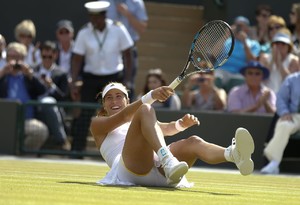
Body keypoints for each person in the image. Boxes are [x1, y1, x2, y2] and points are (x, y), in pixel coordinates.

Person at [90, 82, 255, 187]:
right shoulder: (97, 124)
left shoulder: (139, 119)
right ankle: (167, 159)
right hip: (131, 171)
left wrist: (181, 124)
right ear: (103, 105)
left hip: (163, 173)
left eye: (119, 97)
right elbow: (125, 115)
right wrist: (151, 96)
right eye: (109, 98)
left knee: (194, 142)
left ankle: (234, 154)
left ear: (126, 101)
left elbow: (165, 129)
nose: (114, 101)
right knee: (146, 109)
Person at [70, 1, 134, 152]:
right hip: (90, 77)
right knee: (84, 114)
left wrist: (128, 79)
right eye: (92, 18)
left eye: (97, 18)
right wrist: (73, 81)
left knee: (119, 113)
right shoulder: (84, 32)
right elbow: (77, 58)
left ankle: (123, 150)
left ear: (104, 16)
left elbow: (128, 55)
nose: (94, 21)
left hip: (113, 77)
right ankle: (77, 151)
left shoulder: (118, 28)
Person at [0, 42, 48, 150]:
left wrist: (30, 75)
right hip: (3, 121)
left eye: (18, 57)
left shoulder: (29, 77)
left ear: (24, 58)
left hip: (26, 122)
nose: (15, 61)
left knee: (41, 131)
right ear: (6, 58)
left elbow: (43, 90)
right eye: (12, 57)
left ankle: (22, 153)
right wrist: (3, 72)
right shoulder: (2, 76)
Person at [105, 0, 148, 98]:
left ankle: (127, 112)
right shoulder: (105, 2)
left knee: (127, 87)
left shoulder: (137, 3)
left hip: (129, 52)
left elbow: (142, 28)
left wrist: (127, 14)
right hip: (108, 52)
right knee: (107, 86)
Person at [261, 71, 300, 174]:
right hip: (294, 116)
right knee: (283, 125)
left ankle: (270, 153)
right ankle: (274, 162)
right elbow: (281, 99)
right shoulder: (291, 79)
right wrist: (284, 112)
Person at [34, 40, 70, 150]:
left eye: (50, 56)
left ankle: (61, 140)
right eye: (44, 56)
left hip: (55, 109)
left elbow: (64, 96)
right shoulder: (33, 70)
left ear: (55, 55)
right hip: (35, 108)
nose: (47, 59)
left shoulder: (61, 73)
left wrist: (52, 86)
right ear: (40, 55)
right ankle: (62, 140)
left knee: (48, 103)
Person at [215, 16, 261, 93]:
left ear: (247, 29)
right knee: (216, 80)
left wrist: (245, 43)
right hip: (222, 70)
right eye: (236, 25)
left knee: (237, 86)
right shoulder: (226, 40)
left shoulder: (253, 44)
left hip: (239, 73)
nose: (238, 28)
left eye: (241, 26)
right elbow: (213, 54)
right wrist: (226, 35)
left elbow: (252, 62)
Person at [259, 29, 299, 93]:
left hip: (285, 96)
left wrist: (279, 63)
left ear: (288, 47)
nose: (280, 46)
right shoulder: (264, 57)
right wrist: (272, 60)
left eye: (283, 44)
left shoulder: (294, 60)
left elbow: (291, 81)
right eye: (277, 43)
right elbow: (262, 77)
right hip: (266, 95)